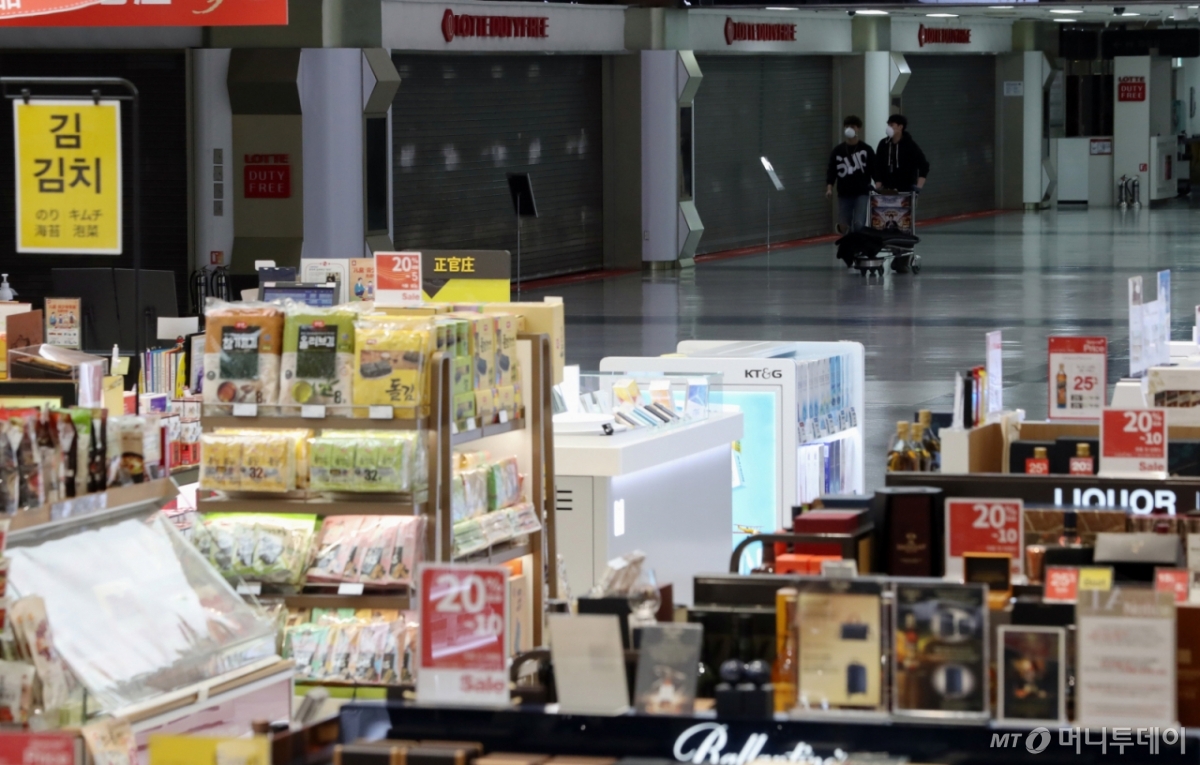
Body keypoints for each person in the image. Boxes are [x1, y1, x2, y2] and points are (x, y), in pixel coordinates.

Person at [825, 115, 876, 233]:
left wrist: (878, 183)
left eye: (852, 126)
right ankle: (849, 246)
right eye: (847, 126)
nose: (849, 129)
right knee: (843, 224)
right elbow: (832, 170)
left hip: (861, 192)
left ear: (858, 128)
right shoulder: (838, 151)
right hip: (844, 193)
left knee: (858, 223)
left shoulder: (866, 149)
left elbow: (873, 168)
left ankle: (858, 247)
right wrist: (829, 188)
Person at [874, 113, 929, 194]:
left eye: (892, 125)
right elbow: (877, 164)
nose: (889, 128)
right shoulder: (883, 144)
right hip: (886, 188)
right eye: (888, 125)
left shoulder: (910, 145)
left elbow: (924, 165)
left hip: (906, 189)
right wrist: (878, 183)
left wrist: (918, 186)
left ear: (900, 127)